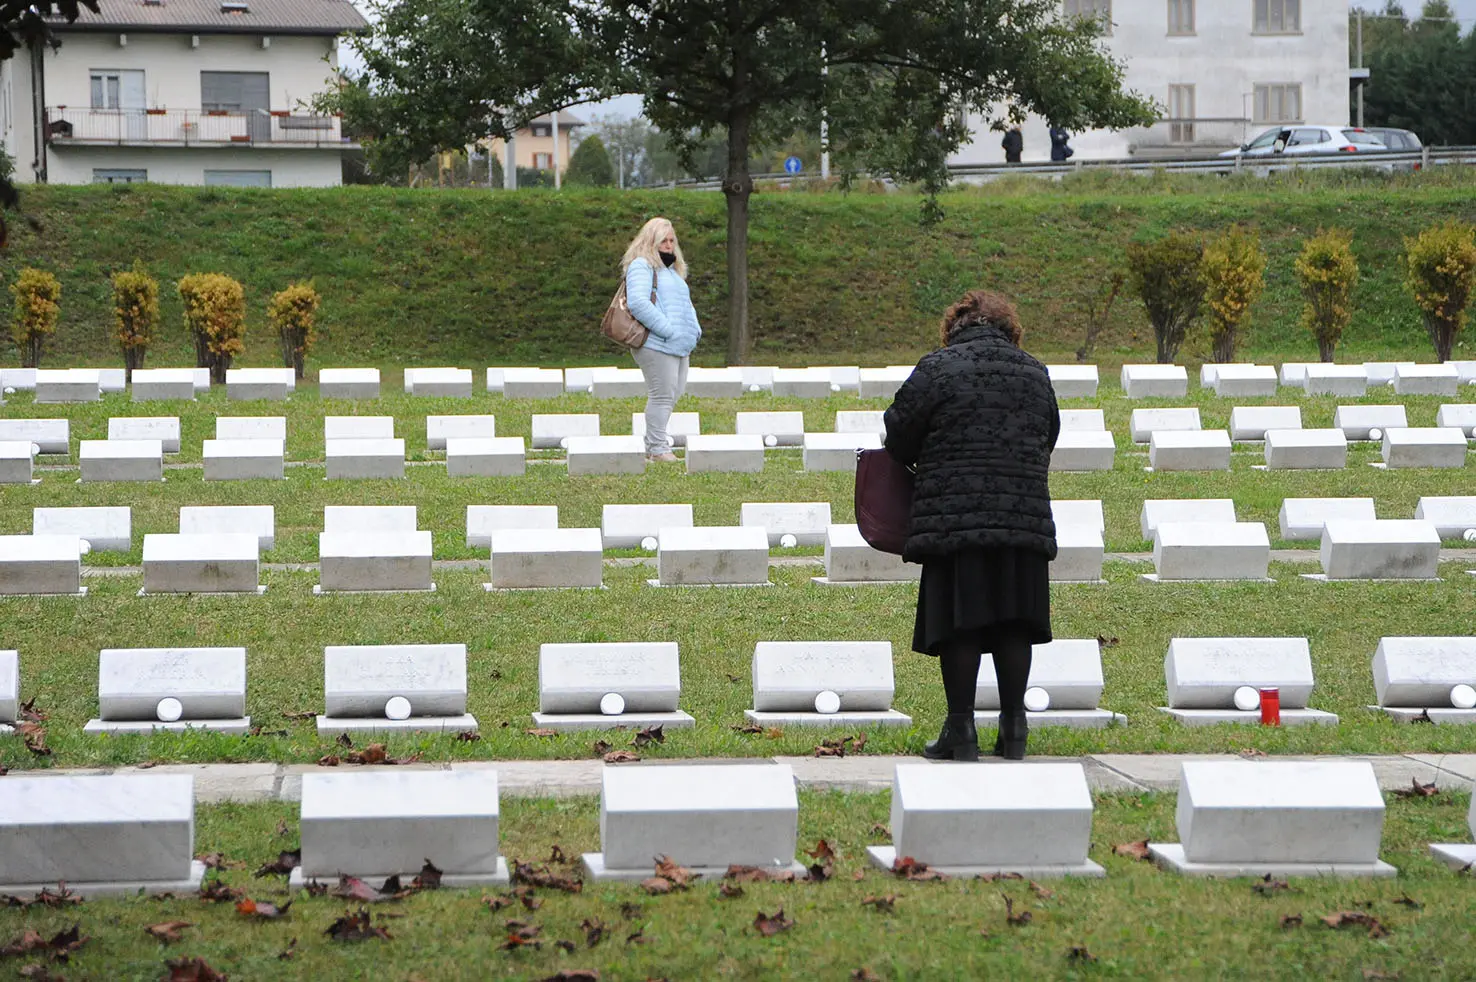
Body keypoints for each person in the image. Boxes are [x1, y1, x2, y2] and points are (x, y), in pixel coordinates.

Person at [882, 290, 1060, 761]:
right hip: (1021, 515)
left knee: (961, 623)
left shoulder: (937, 368)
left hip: (954, 517)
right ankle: (1014, 727)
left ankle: (960, 729)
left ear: (953, 328)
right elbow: (1050, 434)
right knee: (1015, 621)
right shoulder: (1035, 372)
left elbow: (897, 435)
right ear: (1009, 329)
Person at [621, 217, 702, 461]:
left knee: (672, 395)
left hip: (679, 344)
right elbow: (638, 303)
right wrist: (666, 330)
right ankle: (657, 448)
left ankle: (654, 444)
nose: (668, 245)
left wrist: (694, 329)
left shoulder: (672, 271)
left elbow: (685, 305)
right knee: (662, 396)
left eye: (671, 240)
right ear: (650, 241)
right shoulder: (641, 266)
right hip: (657, 344)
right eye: (662, 240)